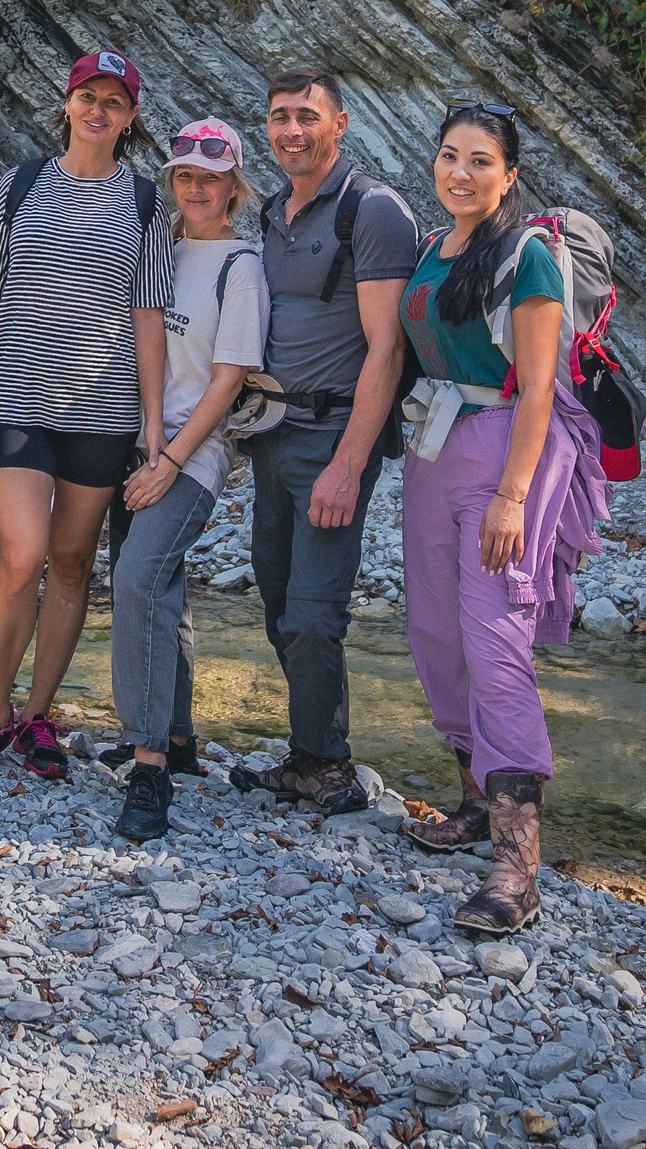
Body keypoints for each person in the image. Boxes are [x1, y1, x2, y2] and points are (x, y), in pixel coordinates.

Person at [0, 50, 173, 795]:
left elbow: (148, 319)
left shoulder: (145, 205)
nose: (98, 109)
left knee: (72, 564)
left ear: (130, 118)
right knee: (21, 556)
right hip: (15, 397)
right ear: (66, 104)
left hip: (102, 410)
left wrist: (155, 428)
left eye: (114, 100)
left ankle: (36, 718)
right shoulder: (20, 185)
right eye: (86, 96)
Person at [396, 103, 609, 933]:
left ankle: (516, 870)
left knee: (494, 643)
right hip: (430, 447)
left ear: (509, 175)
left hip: (498, 452)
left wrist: (514, 496)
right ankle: (475, 803)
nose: (461, 172)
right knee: (434, 633)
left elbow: (538, 387)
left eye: (480, 160)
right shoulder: (433, 249)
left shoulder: (528, 260)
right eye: (450, 156)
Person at [229, 70, 416, 814]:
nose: (292, 131)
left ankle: (330, 767)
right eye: (279, 117)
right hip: (274, 436)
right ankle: (313, 753)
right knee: (279, 601)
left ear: (341, 122)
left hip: (337, 436)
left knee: (314, 611)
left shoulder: (373, 213)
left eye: (307, 116)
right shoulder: (276, 211)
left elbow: (387, 350)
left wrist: (348, 464)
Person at [105, 119, 269, 841]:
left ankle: (148, 771)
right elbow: (147, 341)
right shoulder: (162, 250)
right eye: (184, 176)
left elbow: (229, 379)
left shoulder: (244, 267)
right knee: (162, 591)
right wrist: (149, 433)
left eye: (211, 176)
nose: (196, 187)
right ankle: (176, 739)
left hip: (195, 453)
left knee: (139, 580)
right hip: (145, 437)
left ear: (233, 185)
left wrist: (170, 458)